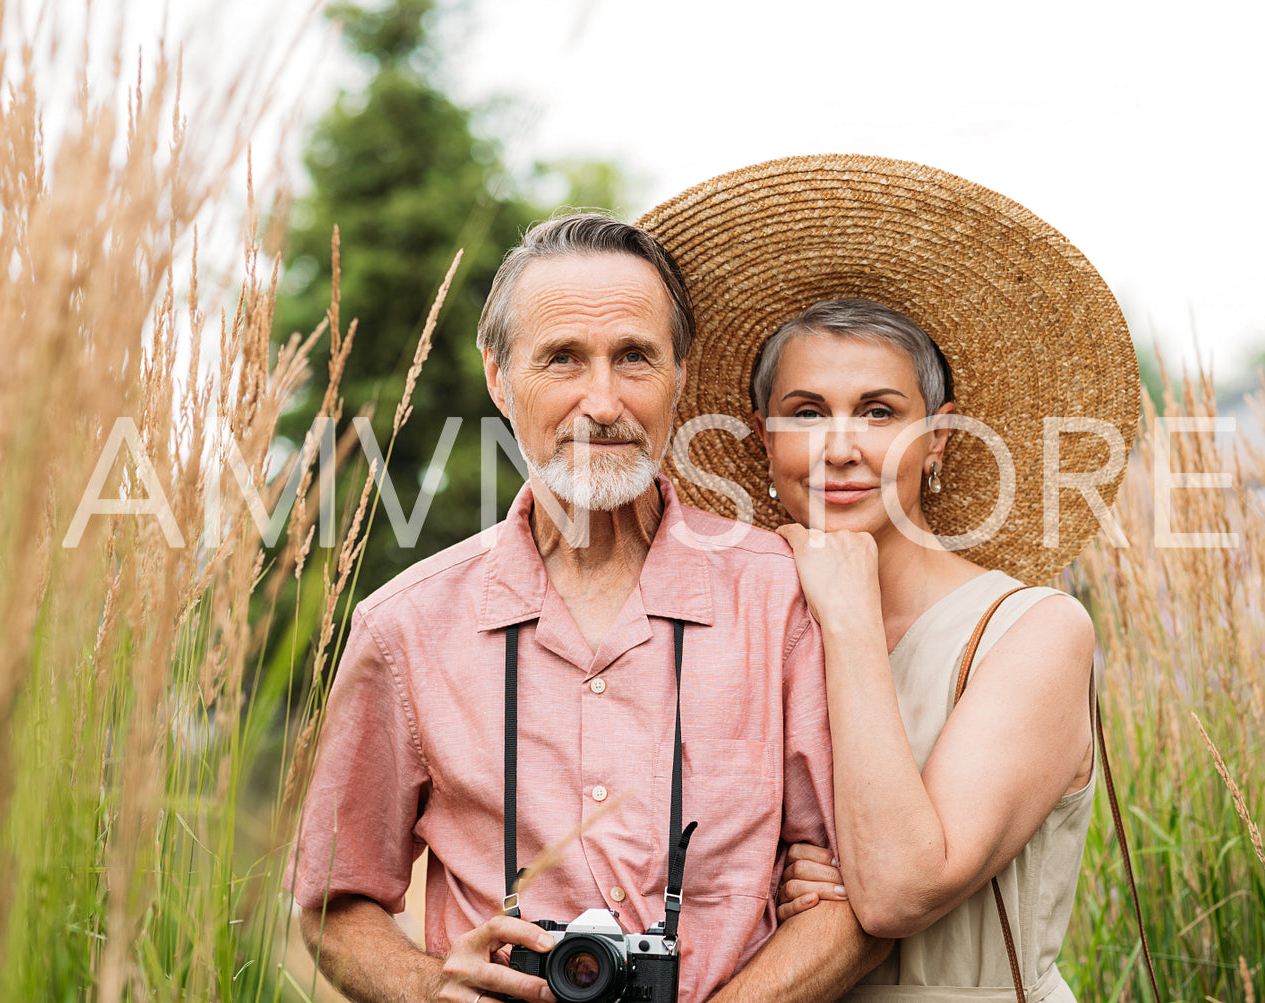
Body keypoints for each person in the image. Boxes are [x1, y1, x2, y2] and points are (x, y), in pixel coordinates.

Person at [287, 212, 890, 1003]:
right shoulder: (403, 625)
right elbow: (333, 902)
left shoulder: (780, 595)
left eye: (633, 357)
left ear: (679, 373)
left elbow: (865, 894)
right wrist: (426, 990)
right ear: (500, 378)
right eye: (562, 358)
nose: (601, 401)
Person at [639, 156, 1141, 1002]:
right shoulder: (735, 625)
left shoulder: (1032, 633)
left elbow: (902, 888)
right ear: (763, 441)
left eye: (879, 411)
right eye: (806, 413)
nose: (841, 448)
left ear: (937, 438)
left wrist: (848, 615)